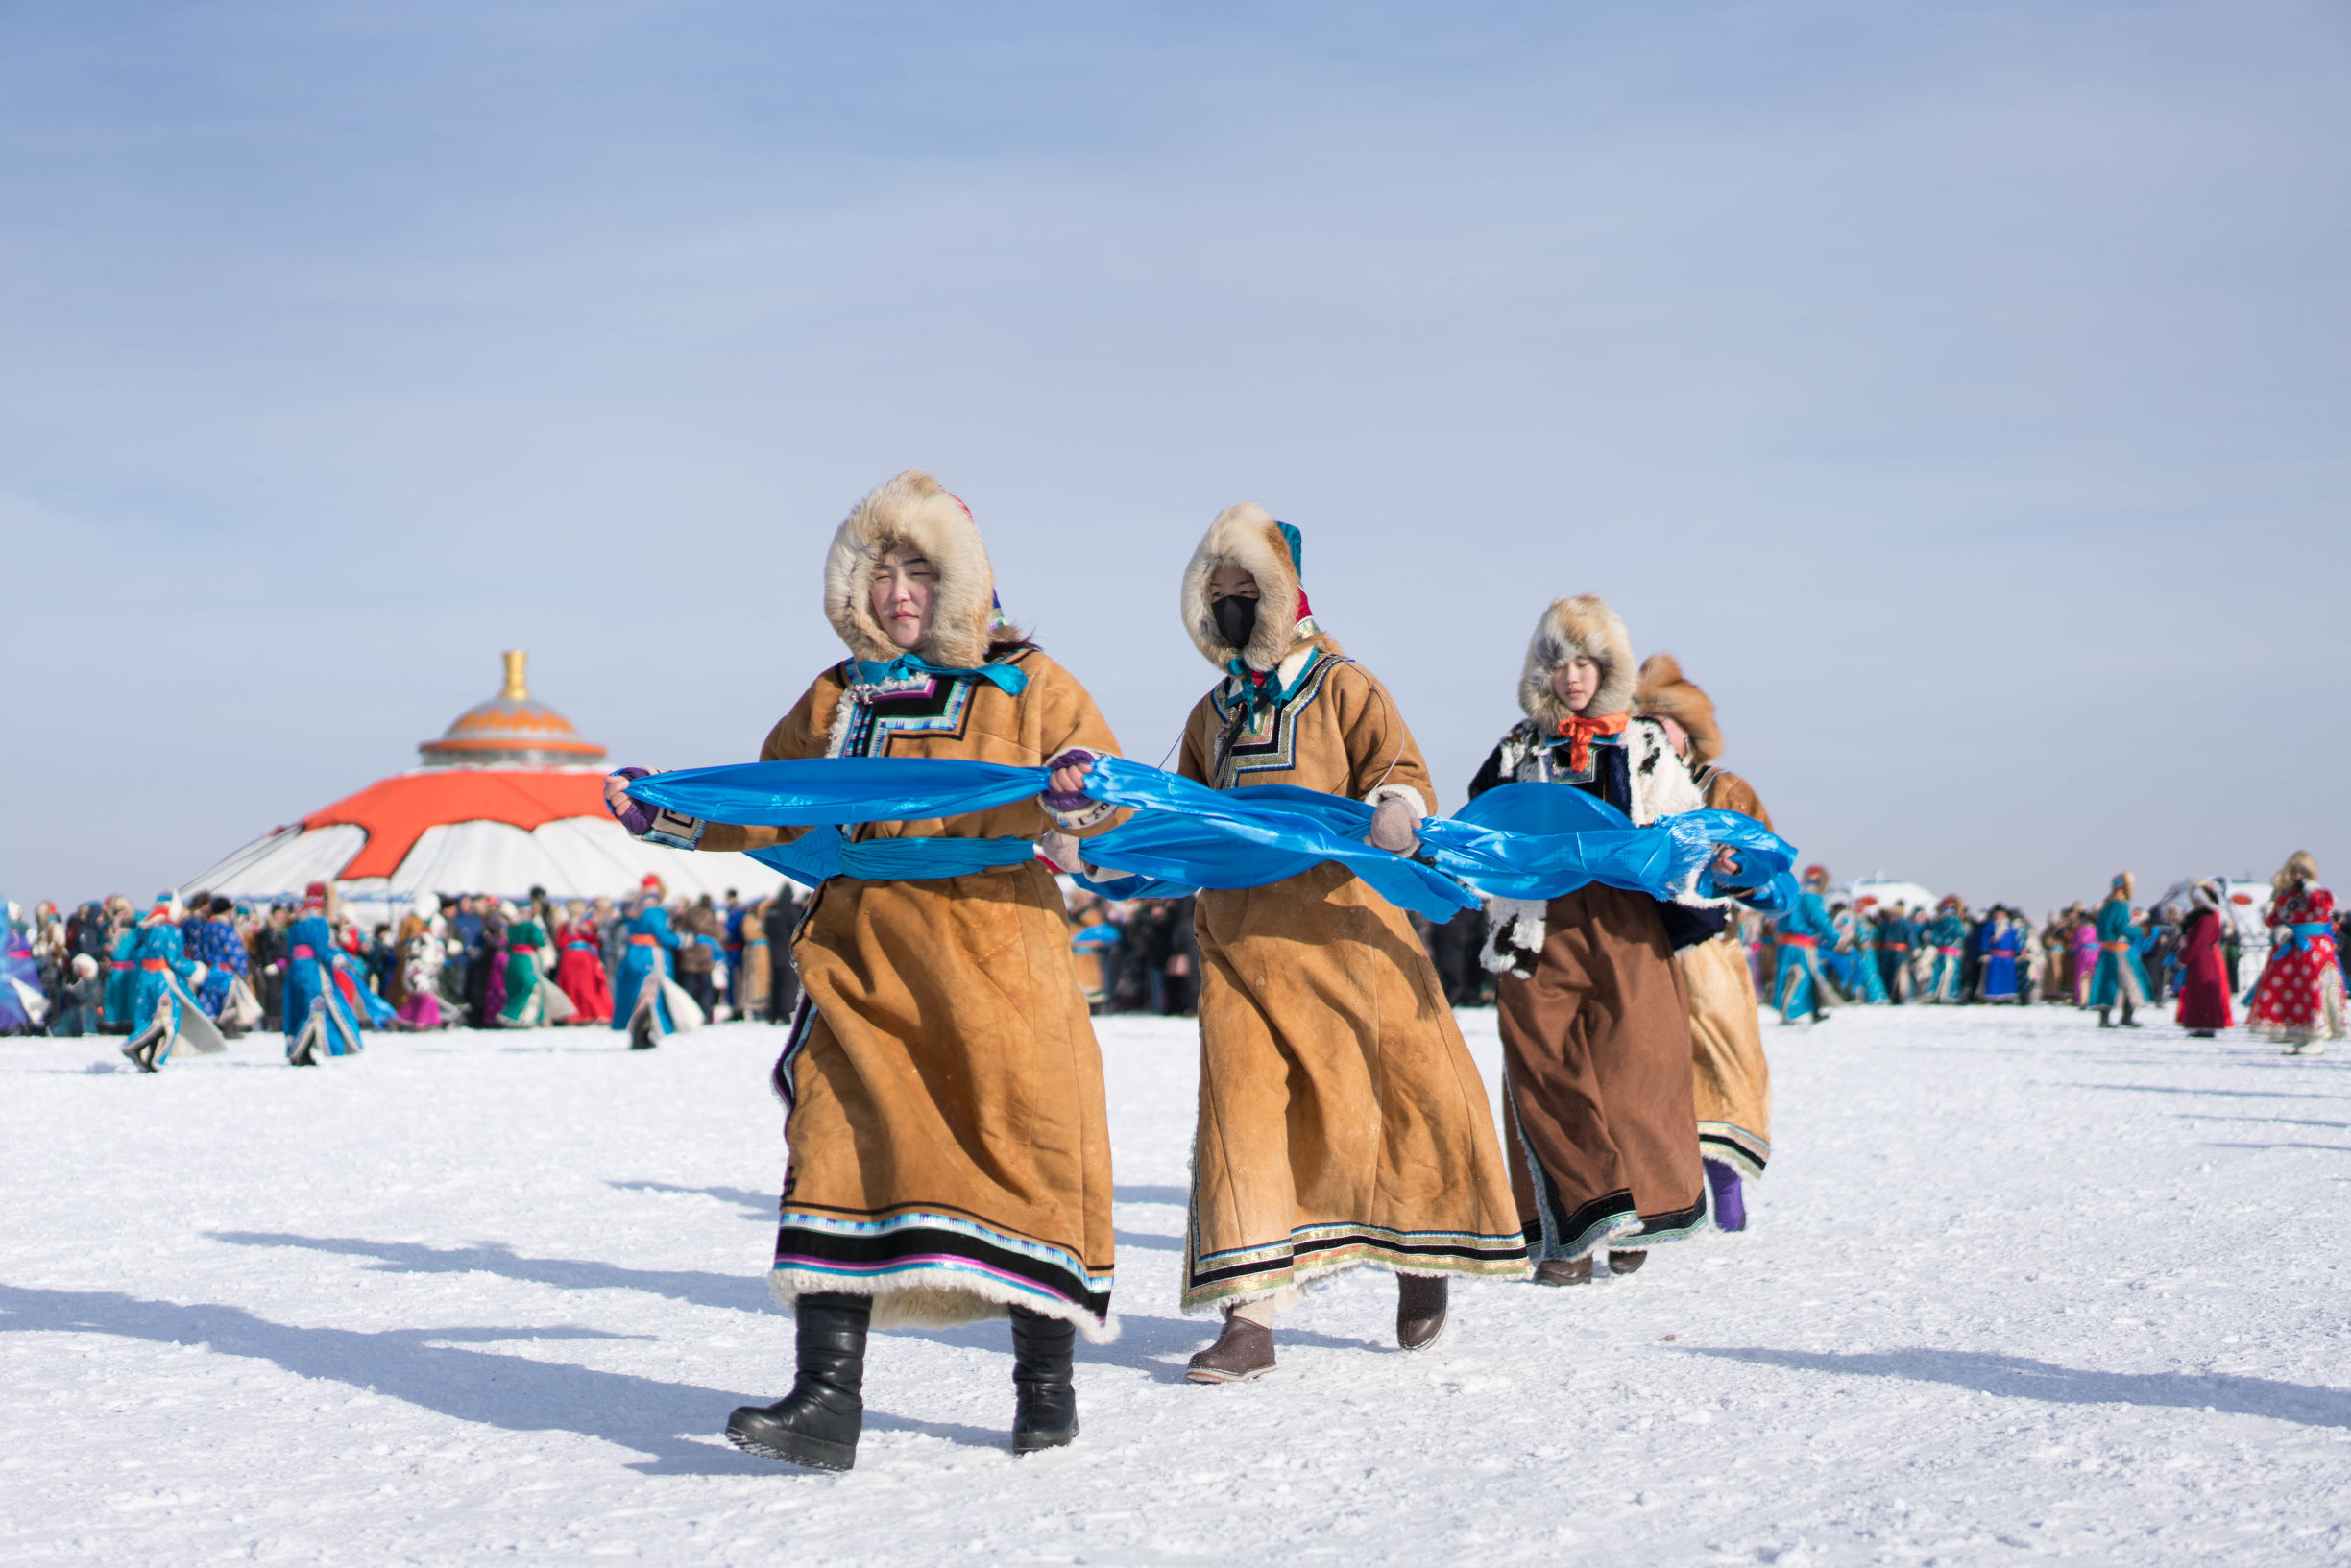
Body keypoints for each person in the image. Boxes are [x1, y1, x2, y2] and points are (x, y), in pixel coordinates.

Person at [607, 469, 1127, 1467]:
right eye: (880, 570)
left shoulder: (1032, 681)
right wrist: (666, 806)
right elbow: (769, 798)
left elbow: (1102, 792)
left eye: (920, 571)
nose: (897, 591)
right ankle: (826, 1400)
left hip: (996, 956)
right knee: (833, 1138)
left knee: (1025, 1150)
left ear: (963, 582)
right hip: (862, 950)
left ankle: (1045, 1387)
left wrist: (1075, 793)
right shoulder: (838, 695)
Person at [1088, 504, 1525, 1383]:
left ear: (1285, 594)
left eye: (1247, 588)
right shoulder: (1213, 712)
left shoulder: (1344, 685)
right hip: (1242, 944)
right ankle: (1249, 1317)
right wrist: (1100, 836)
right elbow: (1177, 811)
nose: (1232, 603)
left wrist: (1399, 809)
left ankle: (1422, 1254)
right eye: (1218, 592)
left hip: (1350, 938)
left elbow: (1397, 767)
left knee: (1403, 1099)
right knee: (1241, 1118)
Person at [1471, 593, 1733, 1287]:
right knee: (1545, 1066)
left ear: (1608, 669)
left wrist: (1717, 858)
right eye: (1559, 663)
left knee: (1639, 1065)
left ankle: (1643, 1210)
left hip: (1627, 925)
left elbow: (1690, 823)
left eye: (1586, 662)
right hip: (1539, 924)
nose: (1573, 677)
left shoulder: (1643, 743)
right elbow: (1482, 822)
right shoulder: (1520, 746)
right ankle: (1573, 1229)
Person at [1633, 653, 1775, 1232]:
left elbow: (1771, 869)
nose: (1654, 735)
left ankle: (1728, 1193)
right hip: (1639, 948)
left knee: (1722, 1065)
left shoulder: (1724, 788)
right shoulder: (1628, 787)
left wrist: (1741, 867)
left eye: (1662, 724)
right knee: (1648, 1074)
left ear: (1686, 733)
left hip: (1708, 949)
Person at [2245, 851, 2344, 1054]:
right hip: (2292, 949)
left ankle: (2317, 1037)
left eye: (2302, 872)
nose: (2298, 876)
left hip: (2314, 949)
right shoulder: (2286, 896)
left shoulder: (2318, 893)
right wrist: (2278, 927)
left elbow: (2324, 907)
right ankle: (2301, 1034)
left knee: (2313, 990)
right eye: (2294, 872)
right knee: (2294, 991)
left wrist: (2309, 888)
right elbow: (2275, 918)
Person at [120, 894, 227, 1071]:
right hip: (163, 978)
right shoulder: (170, 930)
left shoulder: (146, 928)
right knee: (168, 1019)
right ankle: (146, 1053)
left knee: (146, 1015)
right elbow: (175, 960)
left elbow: (136, 954)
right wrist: (196, 970)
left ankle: (145, 1055)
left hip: (144, 977)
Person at [283, 882, 366, 1064]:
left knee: (299, 1010)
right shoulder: (318, 922)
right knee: (315, 1010)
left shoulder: (296, 922)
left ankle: (299, 1050)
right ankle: (299, 1052)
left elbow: (290, 949)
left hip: (295, 970)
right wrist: (338, 959)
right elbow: (322, 950)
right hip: (312, 971)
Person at [610, 878, 691, 1049]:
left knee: (637, 994)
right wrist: (684, 940)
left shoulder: (633, 909)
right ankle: (642, 1034)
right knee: (650, 996)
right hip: (650, 954)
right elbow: (662, 935)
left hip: (633, 952)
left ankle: (641, 1033)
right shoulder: (654, 911)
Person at [1772, 867, 1841, 1025]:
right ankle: (1792, 1012)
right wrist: (1836, 939)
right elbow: (1820, 920)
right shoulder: (1811, 898)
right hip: (1801, 945)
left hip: (1785, 944)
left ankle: (1812, 1010)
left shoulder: (1793, 894)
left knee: (1791, 977)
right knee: (1801, 978)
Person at [2087, 874, 2151, 1029]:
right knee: (2132, 982)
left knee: (2107, 983)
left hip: (2106, 950)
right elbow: (2121, 928)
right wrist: (2140, 931)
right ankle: (2127, 1016)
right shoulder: (2120, 906)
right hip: (2119, 950)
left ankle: (2104, 1018)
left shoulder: (2105, 906)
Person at [2175, 880, 2235, 1037]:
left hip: (2202, 960)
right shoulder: (2201, 917)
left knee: (2204, 993)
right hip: (2199, 961)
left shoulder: (2207, 918)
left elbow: (2200, 942)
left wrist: (2185, 956)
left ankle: (2206, 1024)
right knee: (2198, 992)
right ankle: (2200, 1024)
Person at [552, 902, 613, 1025]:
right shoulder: (564, 926)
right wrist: (570, 931)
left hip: (584, 959)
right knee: (570, 987)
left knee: (586, 988)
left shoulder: (587, 925)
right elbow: (560, 942)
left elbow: (594, 940)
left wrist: (585, 931)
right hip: (569, 959)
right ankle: (572, 1015)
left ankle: (592, 1013)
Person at [1922, 896, 1968, 1003]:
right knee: (1943, 974)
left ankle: (1943, 994)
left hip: (1948, 952)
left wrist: (1936, 939)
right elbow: (1961, 934)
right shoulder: (1952, 922)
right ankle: (1945, 994)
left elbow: (1960, 934)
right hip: (1946, 952)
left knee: (1945, 974)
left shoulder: (1948, 922)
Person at [1978, 908, 2024, 1002]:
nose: (1998, 916)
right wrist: (1984, 950)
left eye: (2000, 914)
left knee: (2008, 977)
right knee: (1994, 977)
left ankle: (2008, 997)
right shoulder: (1990, 926)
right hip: (1995, 956)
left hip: (2008, 957)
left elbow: (2014, 940)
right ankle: (1992, 997)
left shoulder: (2010, 926)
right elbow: (1984, 939)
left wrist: (2018, 951)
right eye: (1996, 914)